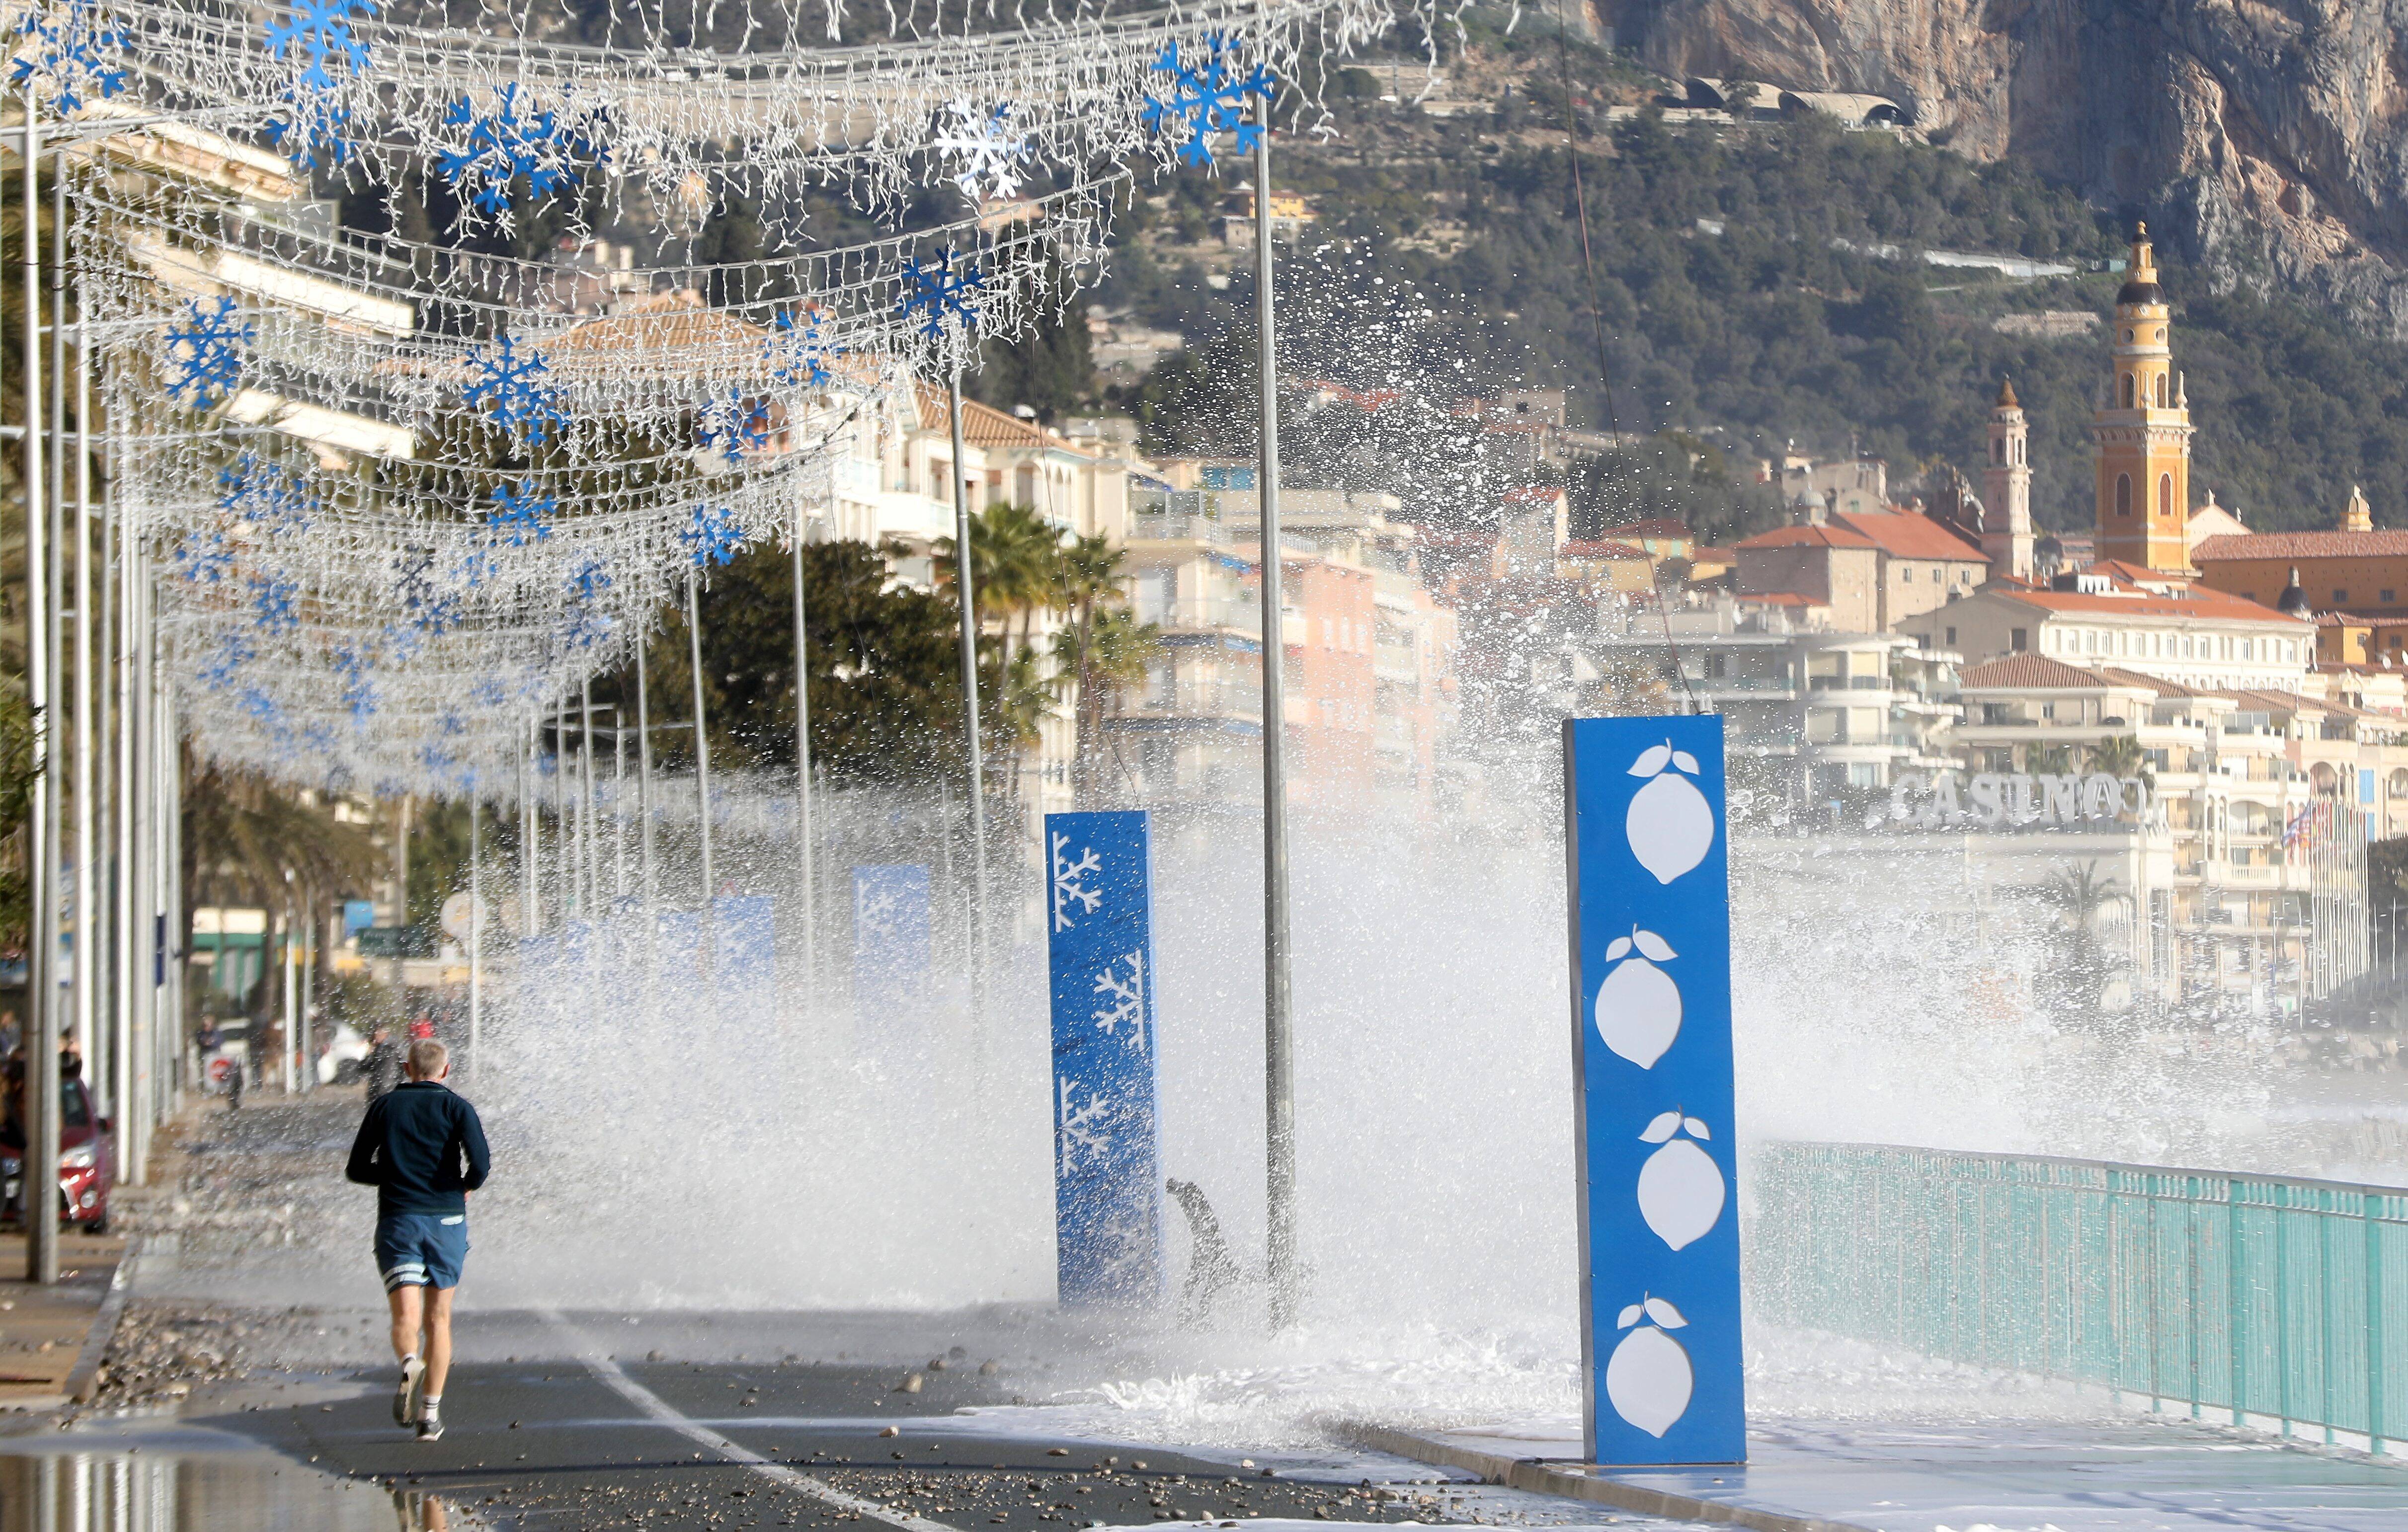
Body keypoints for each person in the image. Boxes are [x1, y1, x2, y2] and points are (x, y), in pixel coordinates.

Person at [345, 1037, 488, 1443]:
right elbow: (481, 1165)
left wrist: (395, 1176)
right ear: (446, 1070)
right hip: (447, 1221)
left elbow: (357, 1168)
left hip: (400, 1219)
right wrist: (463, 1186)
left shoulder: (385, 1106)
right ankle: (430, 1416)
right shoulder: (458, 1107)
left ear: (406, 1069)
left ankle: (410, 1359)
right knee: (439, 1320)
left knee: (405, 1320)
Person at [364, 1024, 404, 1104]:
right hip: (377, 1090)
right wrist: (370, 1051)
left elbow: (404, 1067)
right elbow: (364, 1067)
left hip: (388, 1089)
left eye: (378, 1034)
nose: (376, 1037)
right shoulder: (378, 1048)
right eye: (375, 1034)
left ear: (386, 1033)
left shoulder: (394, 1047)